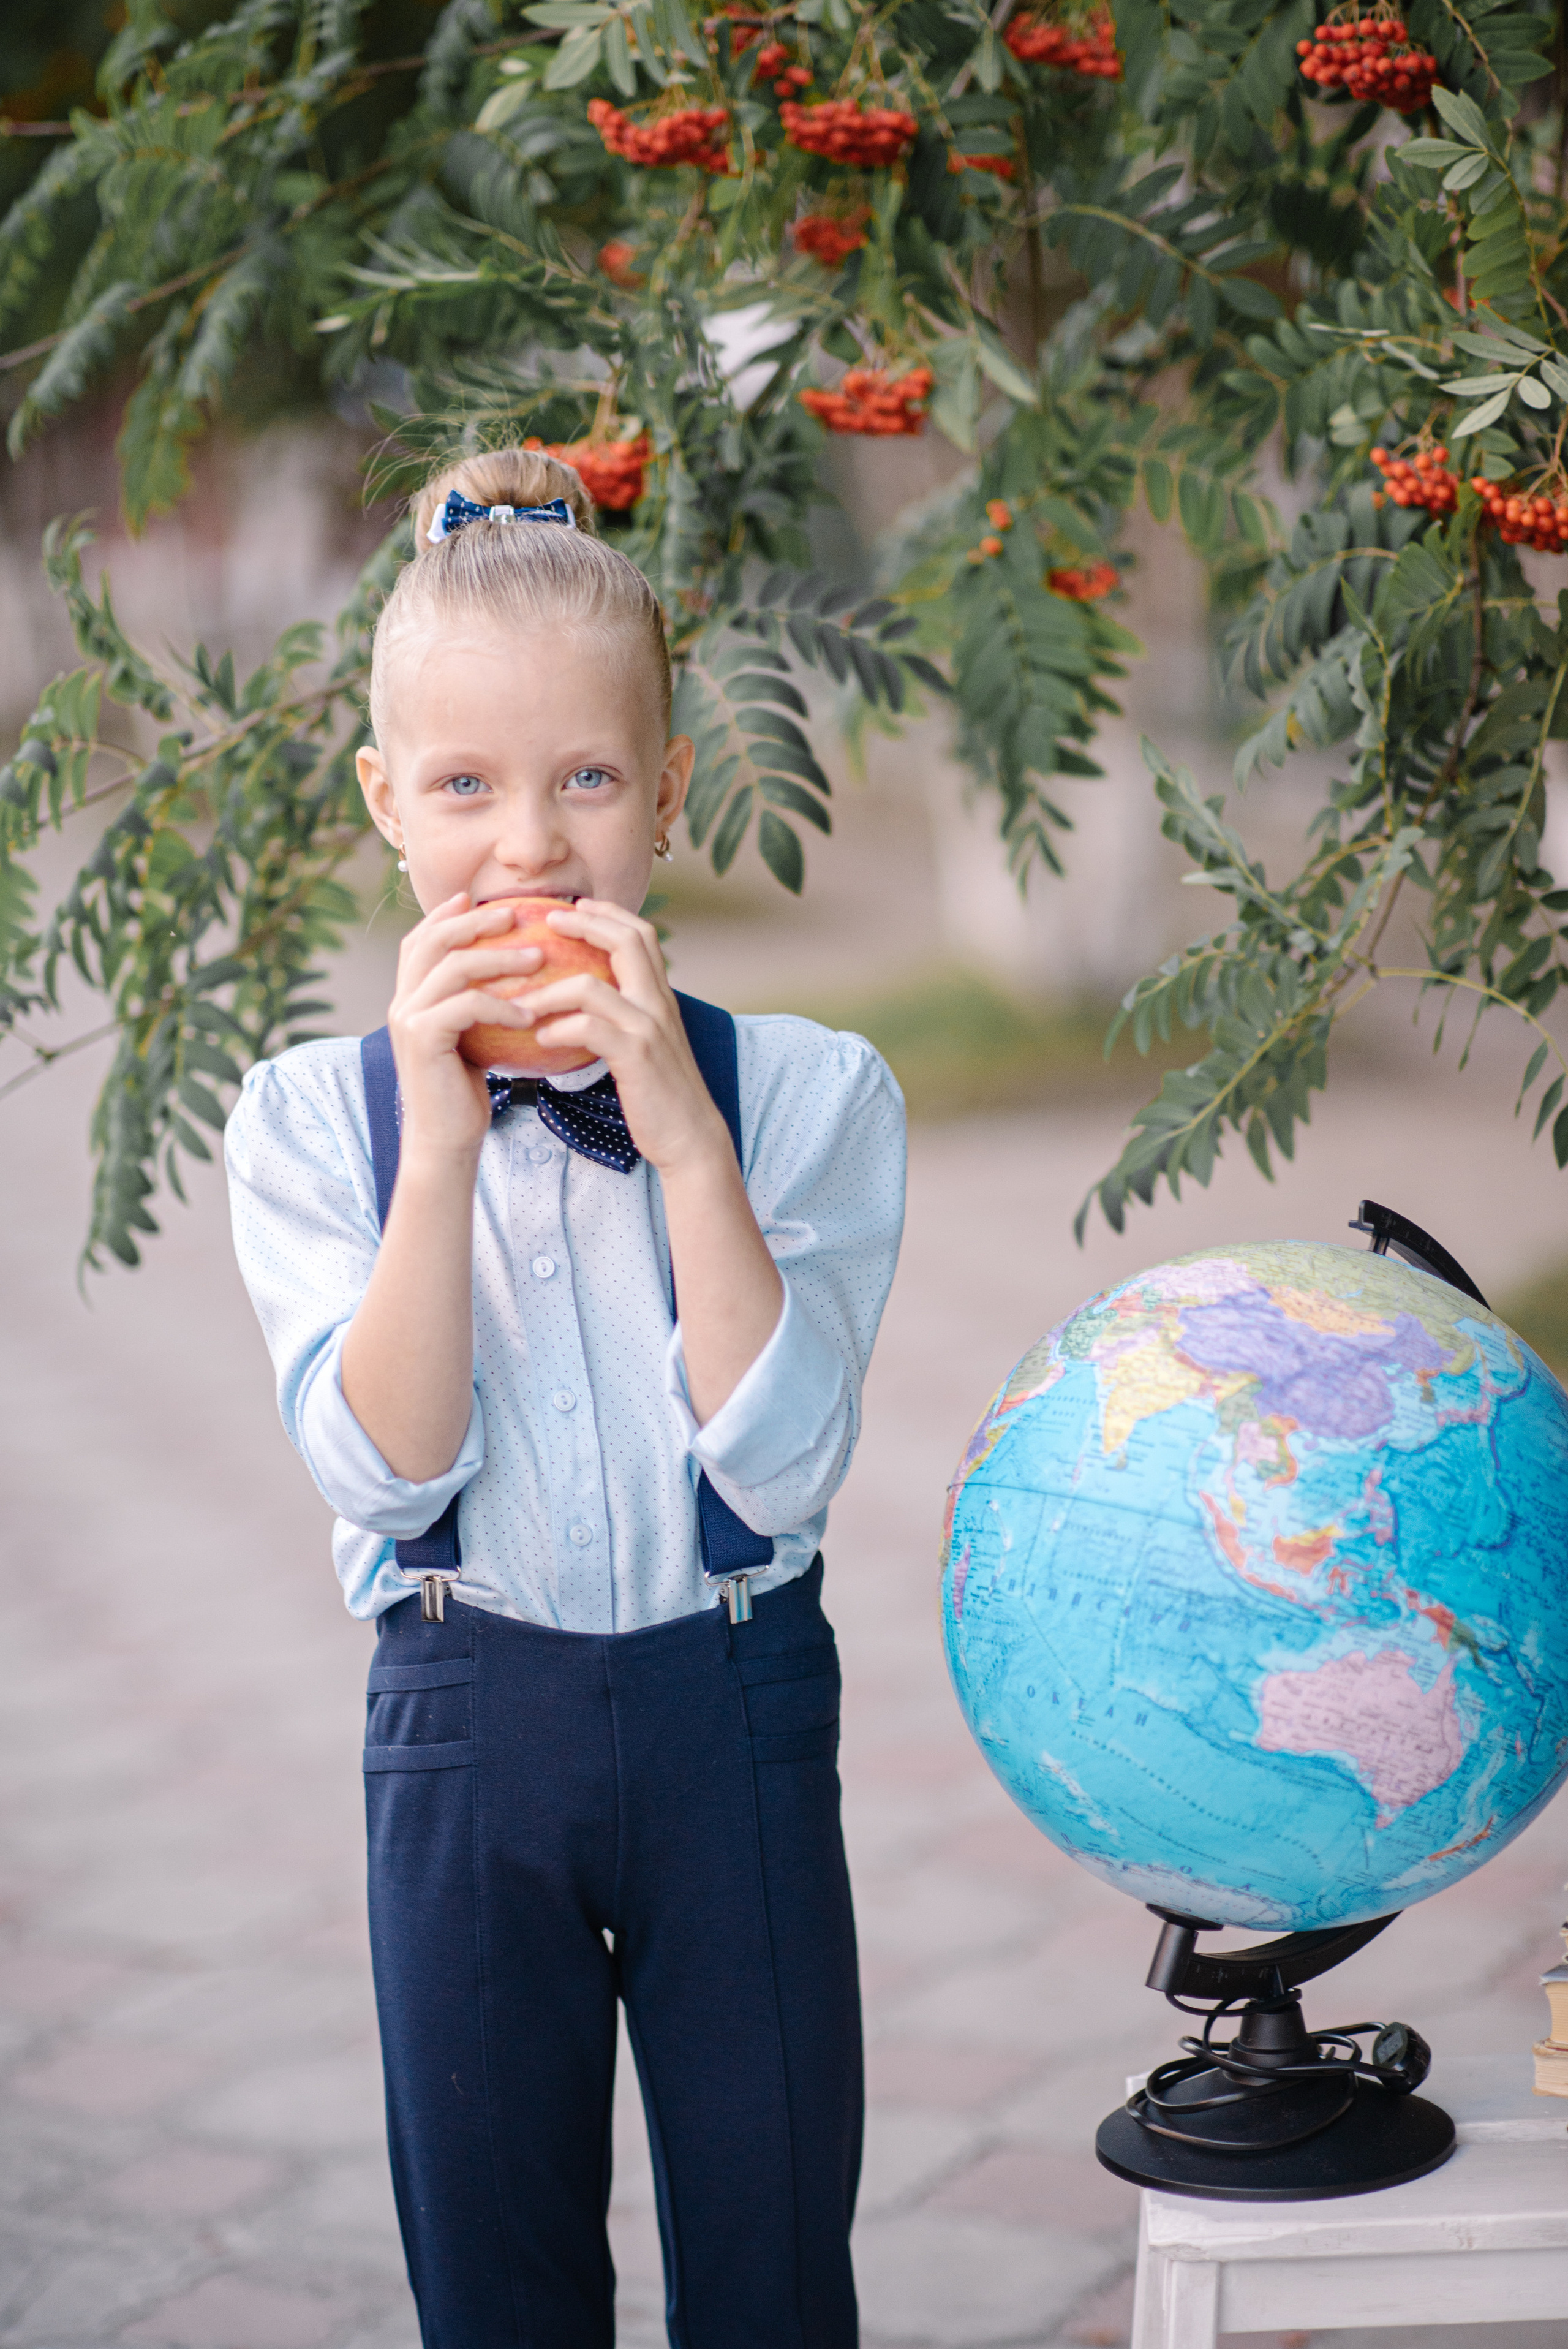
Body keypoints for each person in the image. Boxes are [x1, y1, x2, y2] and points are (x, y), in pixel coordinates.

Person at [224, 445, 907, 2349]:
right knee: (497, 2279)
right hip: (466, 1722)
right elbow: (384, 1467)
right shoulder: (310, 1124)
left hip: (736, 1717)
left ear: (670, 791)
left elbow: (784, 1461)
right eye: (465, 785)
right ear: (386, 802)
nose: (527, 845)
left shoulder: (810, 1095)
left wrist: (684, 1138)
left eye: (587, 778)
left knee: (774, 2257)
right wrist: (437, 1151)